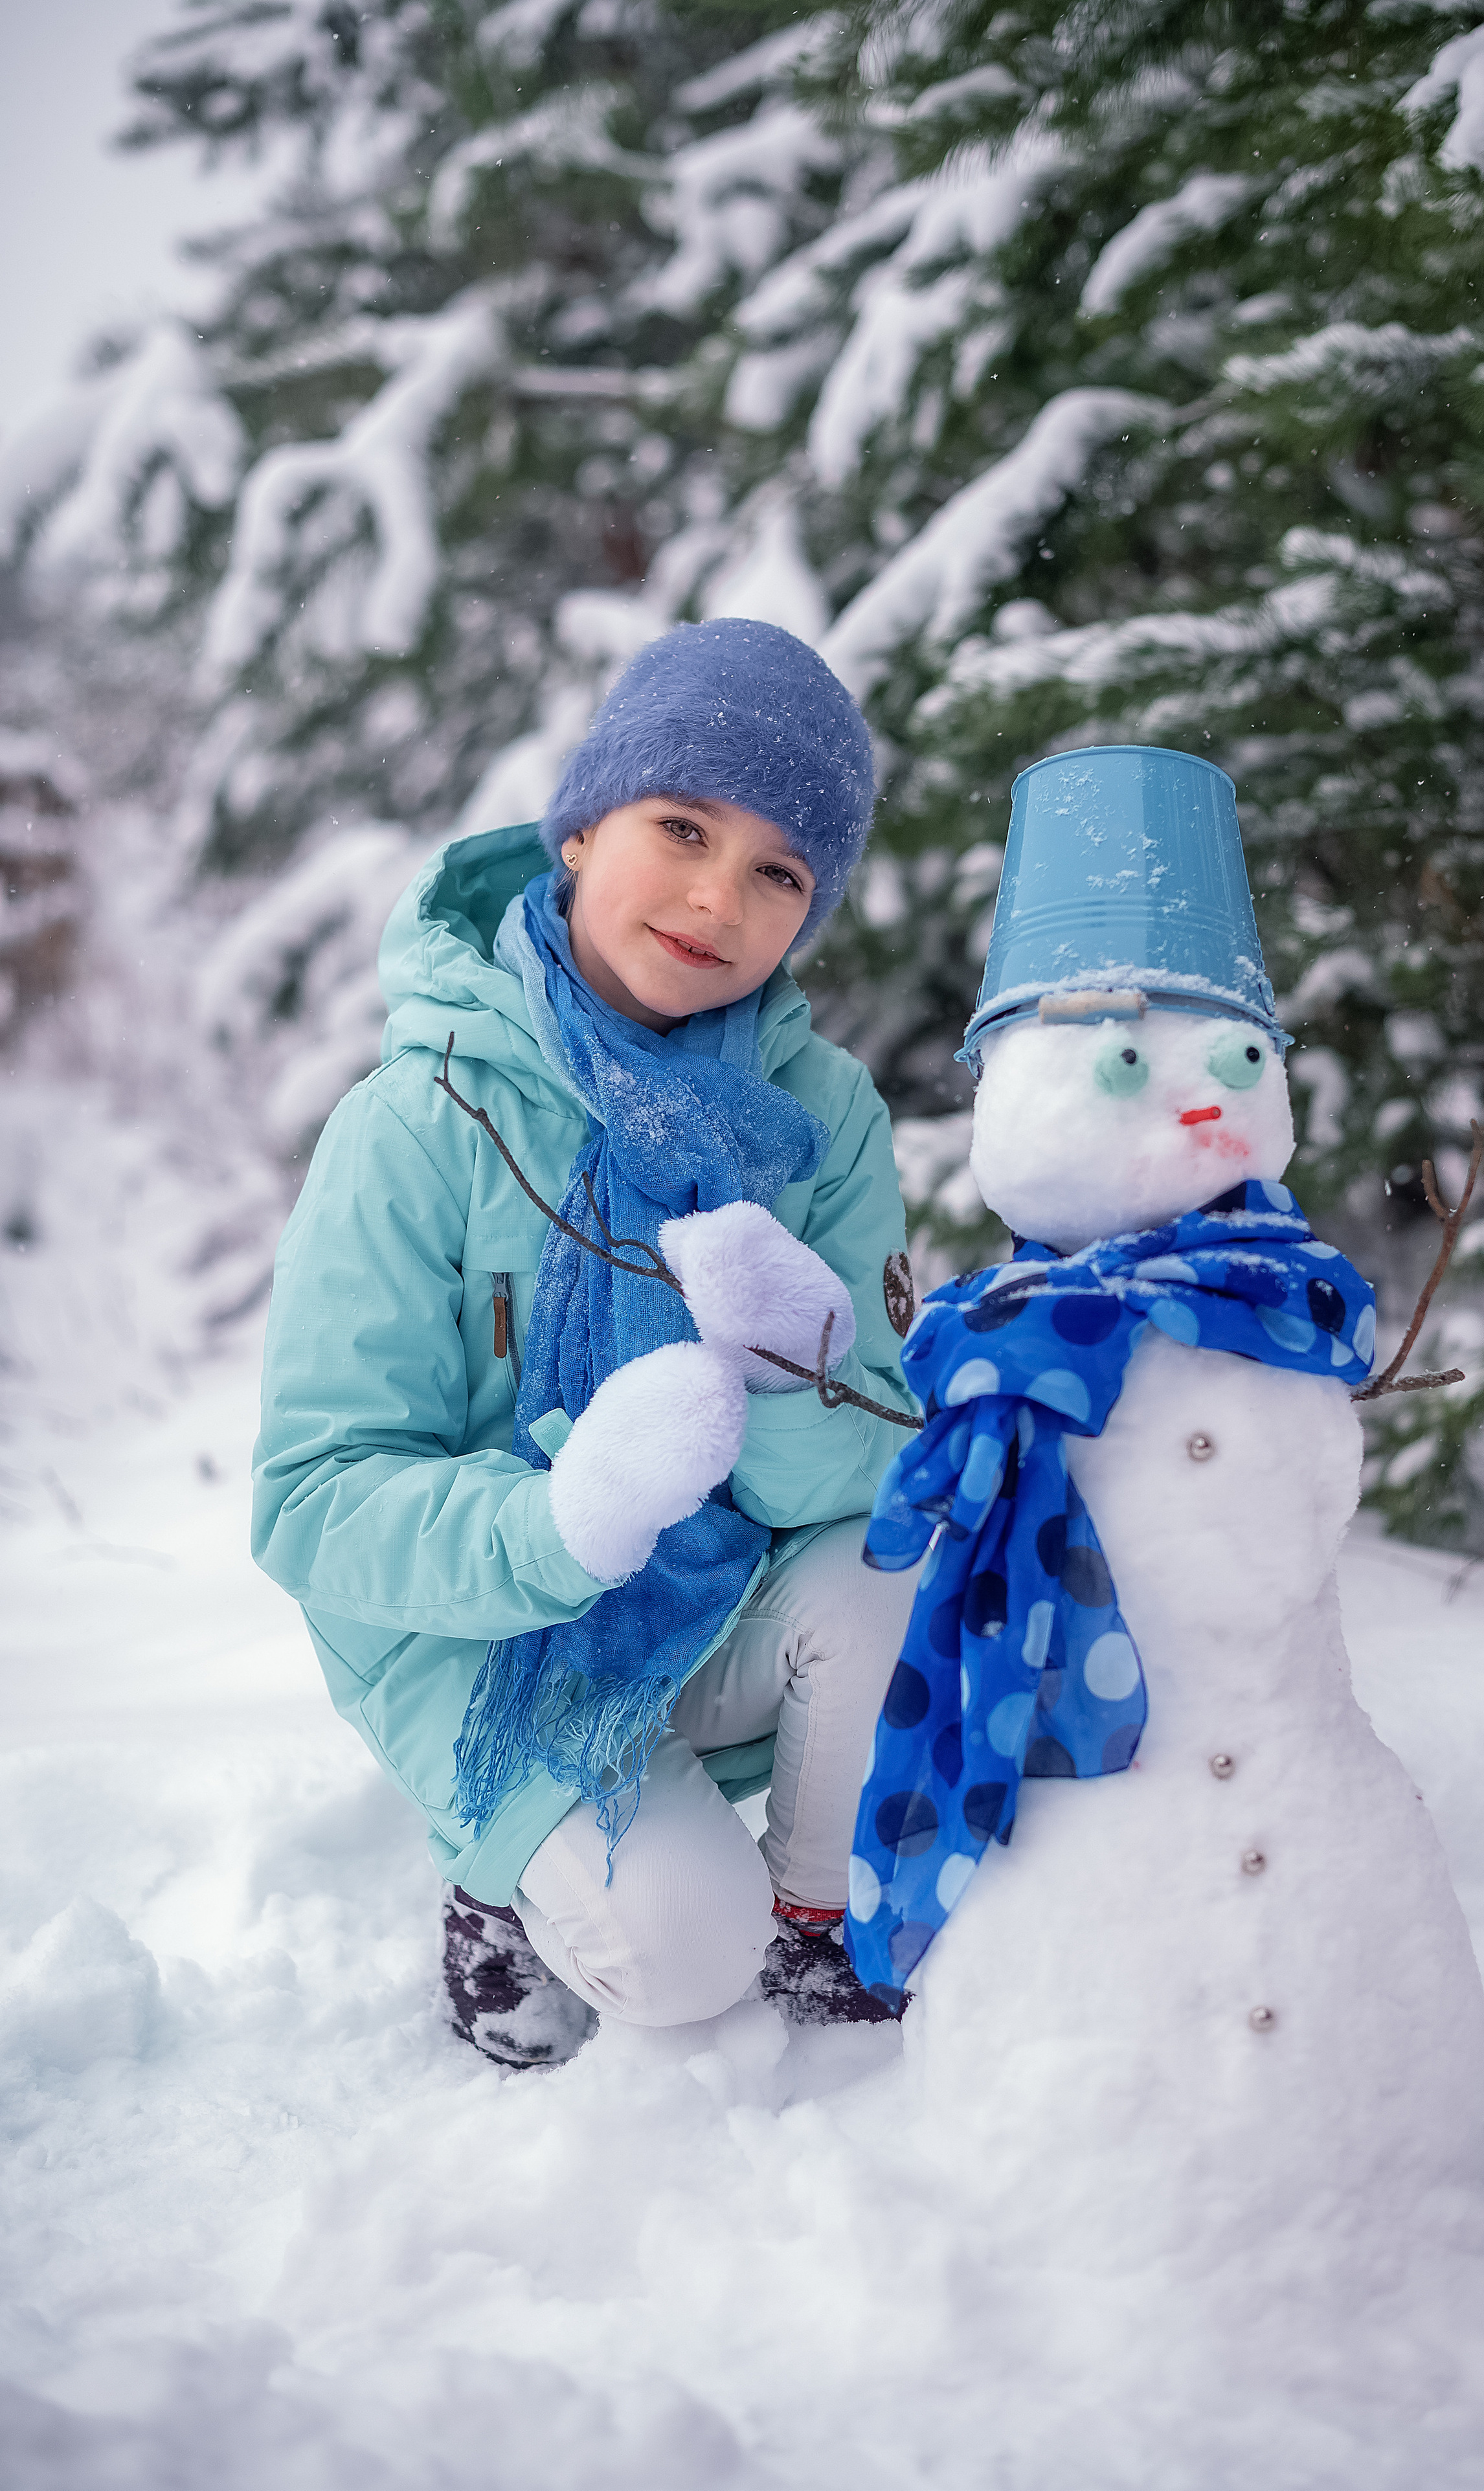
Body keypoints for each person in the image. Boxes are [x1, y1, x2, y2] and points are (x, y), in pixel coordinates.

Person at [252, 620, 920, 2067]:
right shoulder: (419, 1116)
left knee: (896, 1568)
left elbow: (874, 1470)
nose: (714, 897)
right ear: (578, 826)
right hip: (471, 1631)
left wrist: (795, 1365)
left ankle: (818, 1916)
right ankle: (501, 1885)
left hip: (711, 1585)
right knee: (683, 1960)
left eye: (777, 871)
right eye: (680, 825)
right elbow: (310, 1498)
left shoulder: (824, 1120)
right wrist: (561, 1521)